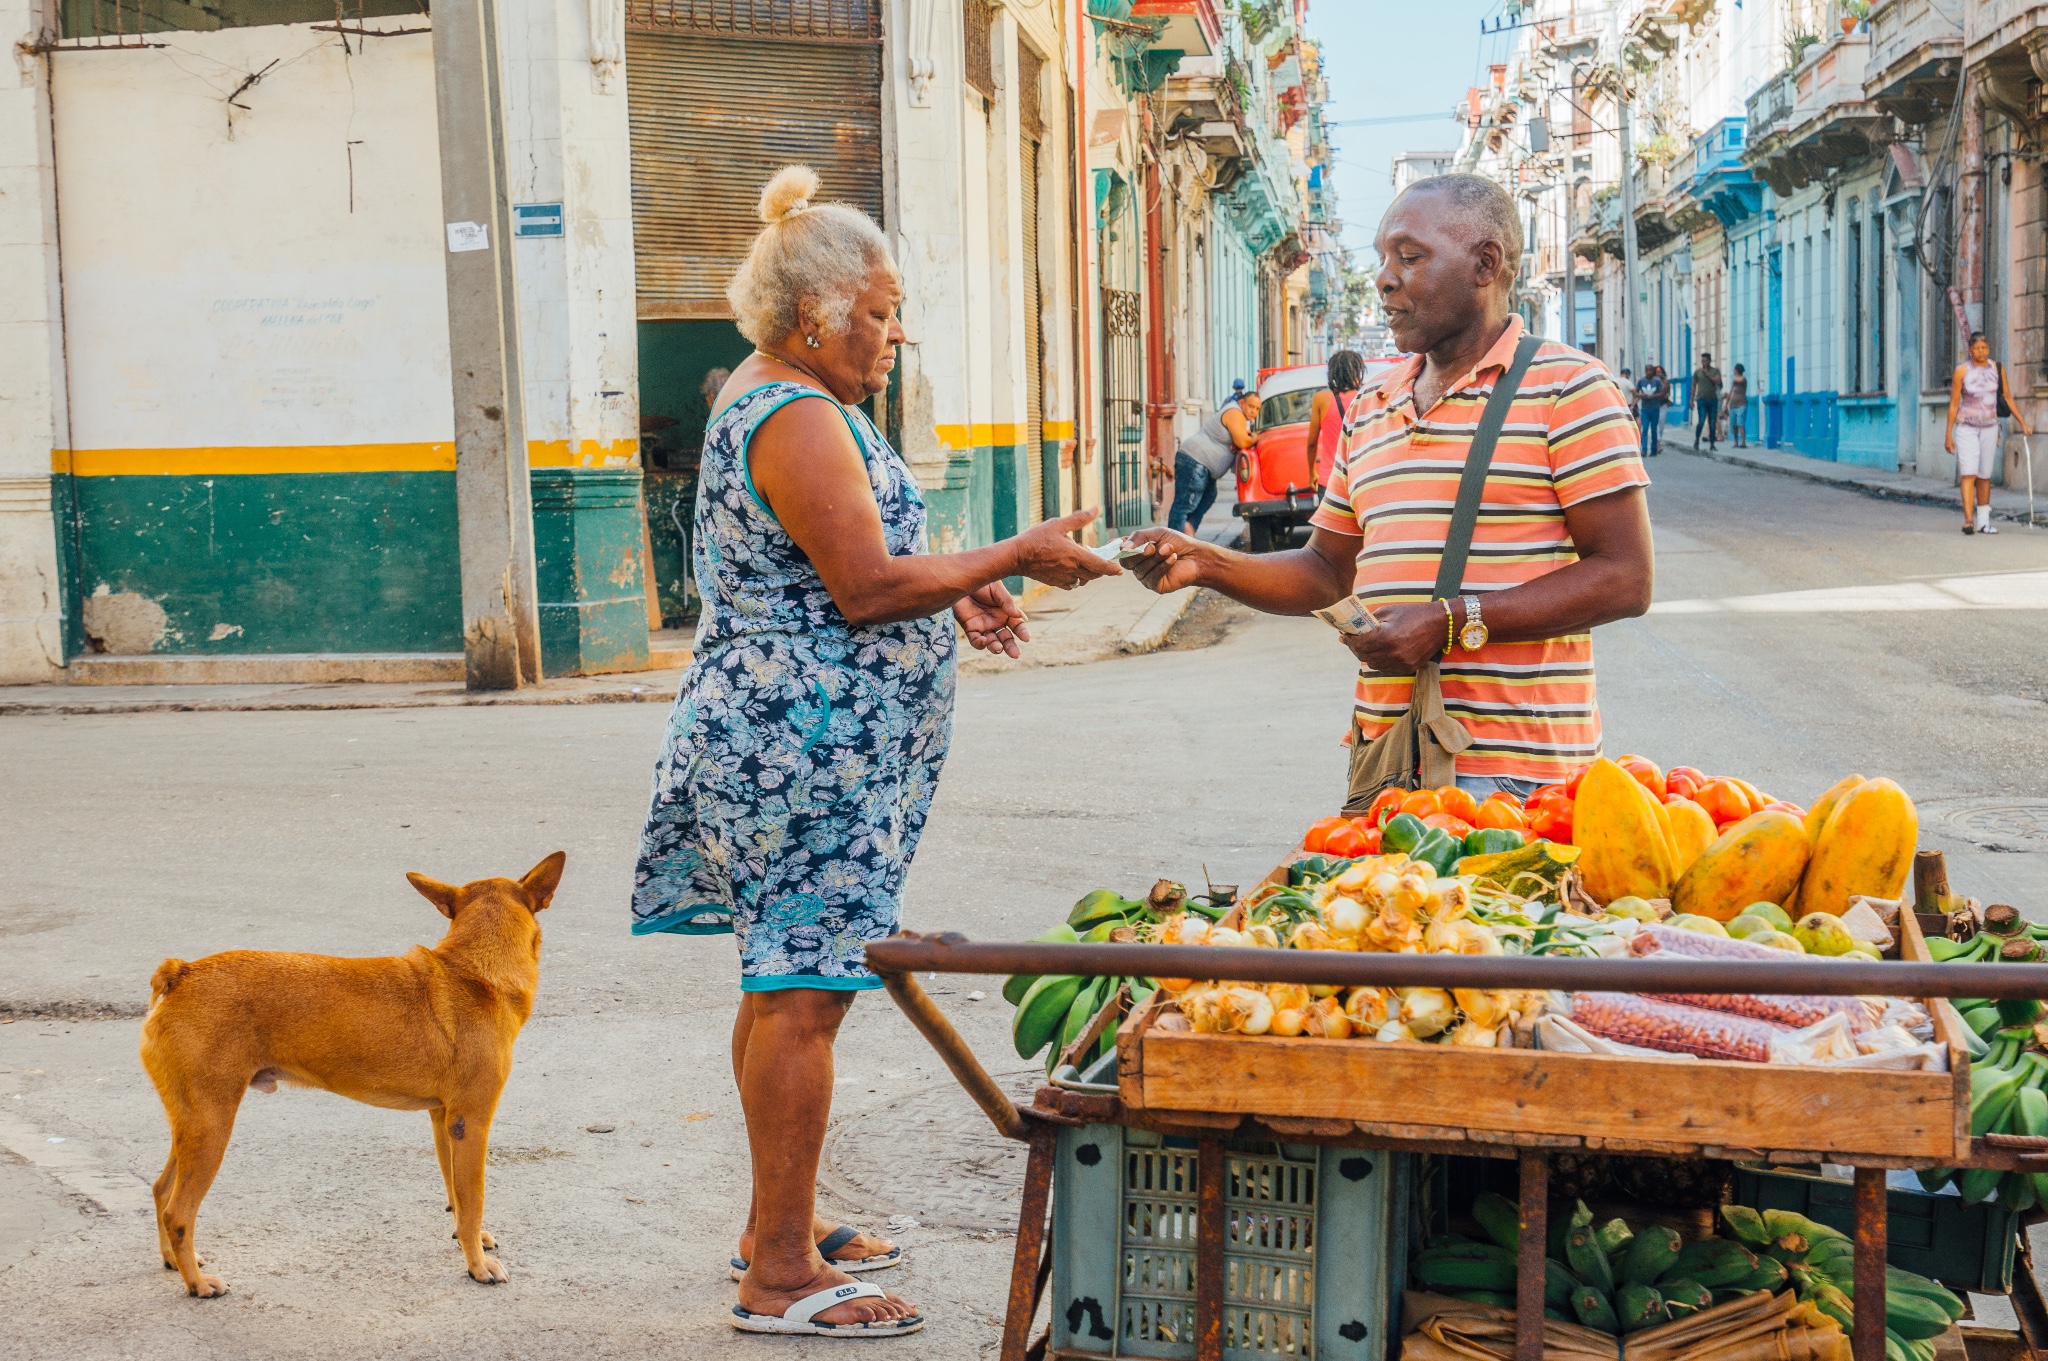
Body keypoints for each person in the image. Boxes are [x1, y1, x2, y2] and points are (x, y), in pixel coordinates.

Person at [629, 166, 1118, 1338]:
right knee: (801, 995)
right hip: (801, 751)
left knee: (781, 982)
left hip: (797, 739)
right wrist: (1006, 557)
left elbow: (852, 564)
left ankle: (773, 1224)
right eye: (878, 312)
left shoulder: (802, 399)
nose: (893, 336)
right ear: (814, 313)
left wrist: (949, 599)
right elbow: (858, 585)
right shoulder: (791, 411)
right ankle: (782, 1274)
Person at [1127, 172, 1654, 802]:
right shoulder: (1372, 407)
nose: (1384, 278)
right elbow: (1326, 571)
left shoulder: (1570, 389)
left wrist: (1451, 624)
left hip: (1523, 781)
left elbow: (1626, 577)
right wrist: (1208, 563)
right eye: (1382, 258)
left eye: (1410, 257)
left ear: (1485, 263)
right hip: (1386, 762)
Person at [1946, 331, 2033, 535]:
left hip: (1990, 427)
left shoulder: (1996, 368)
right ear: (1970, 351)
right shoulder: (1962, 371)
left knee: (1984, 475)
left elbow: (2008, 397)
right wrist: (1948, 435)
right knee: (1969, 473)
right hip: (1966, 427)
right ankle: (1969, 520)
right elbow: (1954, 404)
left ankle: (1984, 522)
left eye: (1984, 348)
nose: (1981, 351)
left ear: (1988, 349)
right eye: (1977, 348)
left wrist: (2023, 422)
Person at [1167, 386, 1260, 535]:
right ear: (1241, 402)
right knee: (1184, 505)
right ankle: (1171, 544)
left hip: (1202, 465)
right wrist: (1254, 437)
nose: (1253, 411)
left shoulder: (1240, 417)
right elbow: (1243, 441)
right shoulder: (1235, 412)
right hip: (1195, 460)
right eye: (1250, 406)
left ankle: (1187, 533)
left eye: (1257, 409)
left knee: (1209, 496)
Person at [1306, 350, 1368, 484]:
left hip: (1330, 479)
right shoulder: (1366, 397)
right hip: (1360, 479)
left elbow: (1312, 442)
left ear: (1332, 372)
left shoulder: (1321, 399)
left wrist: (1312, 473)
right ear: (1357, 372)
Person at [1636, 365, 1668, 456]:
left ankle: (1654, 449)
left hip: (1655, 408)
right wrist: (1642, 396)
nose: (1649, 372)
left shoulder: (1657, 381)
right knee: (1645, 429)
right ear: (1645, 371)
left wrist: (1653, 396)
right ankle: (1644, 449)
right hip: (1645, 409)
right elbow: (1636, 392)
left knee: (1654, 429)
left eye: (1650, 370)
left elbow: (1662, 392)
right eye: (1647, 371)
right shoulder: (1642, 381)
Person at [1692, 353, 1721, 449]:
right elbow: (1694, 386)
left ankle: (1712, 444)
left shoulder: (1715, 371)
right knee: (1701, 421)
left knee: (1712, 423)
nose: (1704, 363)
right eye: (1702, 361)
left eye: (1705, 361)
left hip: (1713, 399)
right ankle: (1696, 440)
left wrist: (1707, 375)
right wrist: (1691, 400)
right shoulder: (1697, 372)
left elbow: (1717, 381)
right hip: (1701, 399)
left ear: (1709, 361)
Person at [1726, 364, 1748, 448]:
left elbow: (1741, 381)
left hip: (1741, 404)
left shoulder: (1743, 379)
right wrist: (1726, 403)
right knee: (1734, 425)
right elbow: (1731, 392)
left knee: (1740, 424)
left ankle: (1743, 442)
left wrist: (1735, 380)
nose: (1733, 370)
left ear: (1737, 370)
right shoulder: (1734, 380)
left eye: (1734, 369)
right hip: (1733, 405)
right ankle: (1736, 442)